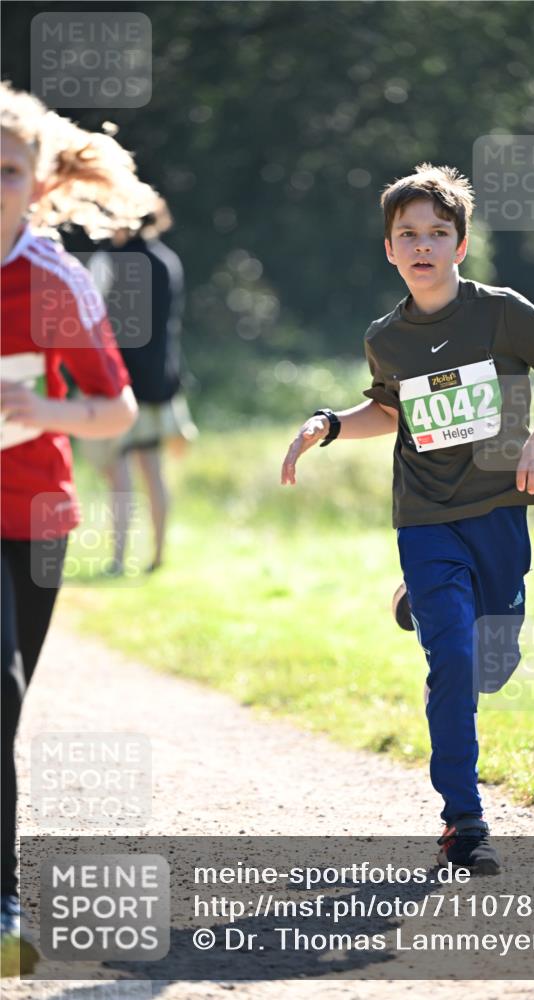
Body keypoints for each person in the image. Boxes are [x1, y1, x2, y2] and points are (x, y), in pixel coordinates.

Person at [281, 162, 534, 875]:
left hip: (497, 513)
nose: (422, 245)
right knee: (452, 661)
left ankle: (418, 607)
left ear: (460, 243)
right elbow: (390, 411)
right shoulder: (384, 337)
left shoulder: (501, 312)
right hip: (424, 515)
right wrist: (328, 425)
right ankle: (464, 820)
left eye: (437, 232)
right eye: (407, 234)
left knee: (490, 664)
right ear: (388, 249)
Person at [0, 81, 157, 974]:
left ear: (34, 182)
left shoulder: (53, 280)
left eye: (8, 170)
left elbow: (114, 410)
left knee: (3, 696)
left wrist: (37, 403)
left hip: (31, 514)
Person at [85, 199, 198, 575]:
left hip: (117, 386)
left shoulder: (110, 261)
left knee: (118, 472)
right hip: (160, 383)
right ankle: (158, 556)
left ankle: (118, 560)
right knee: (152, 469)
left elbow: (91, 319)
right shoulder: (168, 260)